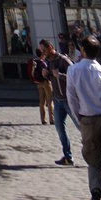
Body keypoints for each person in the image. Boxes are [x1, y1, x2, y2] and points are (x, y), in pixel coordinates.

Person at [66, 34, 101, 200]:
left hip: (87, 120)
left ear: (82, 50)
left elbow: (71, 98)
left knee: (94, 160)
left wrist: (79, 119)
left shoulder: (74, 71)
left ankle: (96, 190)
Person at [42, 37, 77, 165]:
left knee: (81, 127)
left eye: (44, 50)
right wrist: (47, 74)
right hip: (57, 100)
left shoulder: (64, 60)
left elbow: (74, 76)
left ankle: (100, 153)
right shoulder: (49, 61)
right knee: (59, 127)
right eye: (41, 51)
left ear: (51, 48)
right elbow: (53, 76)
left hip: (69, 99)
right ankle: (68, 157)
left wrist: (60, 75)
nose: (43, 53)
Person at [32, 44, 54, 125]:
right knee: (50, 101)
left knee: (42, 102)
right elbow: (46, 73)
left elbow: (32, 73)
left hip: (39, 83)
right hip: (46, 82)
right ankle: (52, 119)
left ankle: (43, 119)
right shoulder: (44, 63)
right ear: (42, 54)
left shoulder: (35, 61)